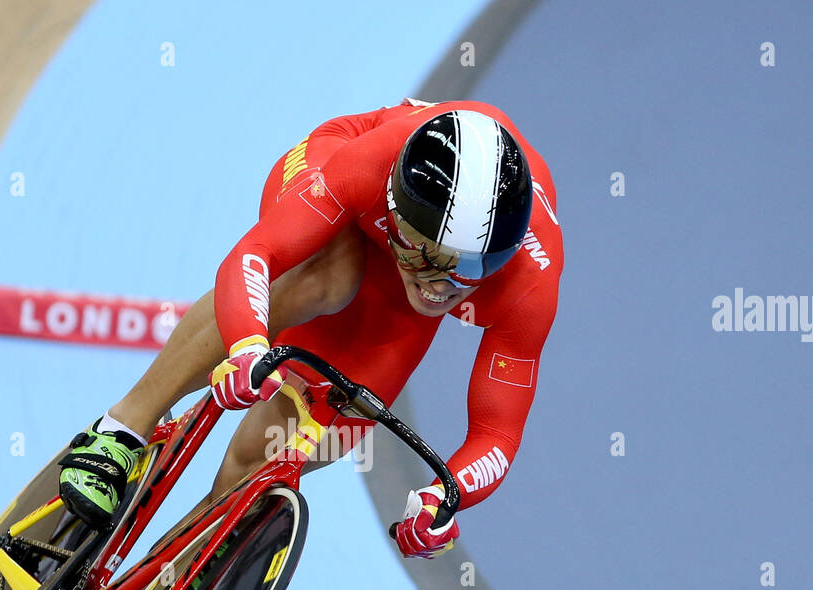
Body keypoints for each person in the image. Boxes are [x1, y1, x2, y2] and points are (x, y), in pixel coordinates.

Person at [57, 98, 563, 560]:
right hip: (339, 178)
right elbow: (256, 254)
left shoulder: (530, 280)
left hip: (392, 268)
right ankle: (120, 428)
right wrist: (247, 344)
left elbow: (497, 432)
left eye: (473, 269)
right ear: (395, 206)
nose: (442, 286)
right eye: (427, 256)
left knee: (280, 447)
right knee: (327, 278)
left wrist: (445, 495)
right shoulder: (366, 167)